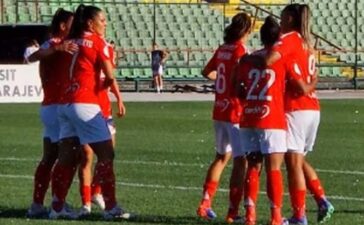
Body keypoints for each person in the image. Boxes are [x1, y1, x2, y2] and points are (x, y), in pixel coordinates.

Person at [49, 4, 128, 220]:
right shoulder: (96, 41)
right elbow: (109, 76)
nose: (105, 24)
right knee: (106, 154)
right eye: (102, 20)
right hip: (85, 102)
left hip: (65, 103)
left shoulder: (70, 42)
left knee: (66, 158)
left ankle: (56, 207)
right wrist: (104, 87)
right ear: (90, 23)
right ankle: (111, 207)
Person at [234, 16, 294, 225]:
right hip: (272, 118)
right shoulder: (280, 57)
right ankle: (276, 217)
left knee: (253, 166)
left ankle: (250, 215)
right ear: (278, 36)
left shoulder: (249, 58)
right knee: (274, 169)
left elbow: (236, 88)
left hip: (249, 116)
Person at [280, 4, 334, 225]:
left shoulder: (290, 38)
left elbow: (274, 57)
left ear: (291, 18)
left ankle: (299, 216)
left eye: (283, 16)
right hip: (312, 108)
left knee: (292, 163)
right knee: (298, 160)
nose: (280, 20)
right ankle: (322, 200)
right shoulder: (307, 43)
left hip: (296, 107)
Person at [196, 12, 251, 222]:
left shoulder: (222, 49)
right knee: (240, 161)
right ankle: (233, 211)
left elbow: (205, 71)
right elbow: (243, 80)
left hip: (219, 109)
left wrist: (222, 80)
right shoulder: (240, 50)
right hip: (235, 112)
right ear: (247, 30)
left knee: (220, 158)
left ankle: (205, 203)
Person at [25, 8, 76, 218]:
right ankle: (57, 203)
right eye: (73, 23)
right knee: (68, 156)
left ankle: (38, 204)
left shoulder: (63, 44)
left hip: (52, 107)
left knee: (50, 157)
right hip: (56, 108)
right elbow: (35, 55)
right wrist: (58, 47)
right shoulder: (55, 43)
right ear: (63, 26)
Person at [78, 39, 125, 216]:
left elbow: (109, 77)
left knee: (108, 155)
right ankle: (86, 204)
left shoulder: (106, 49)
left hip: (105, 110)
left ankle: (96, 192)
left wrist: (119, 98)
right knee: (87, 156)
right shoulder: (83, 49)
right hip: (88, 108)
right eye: (101, 21)